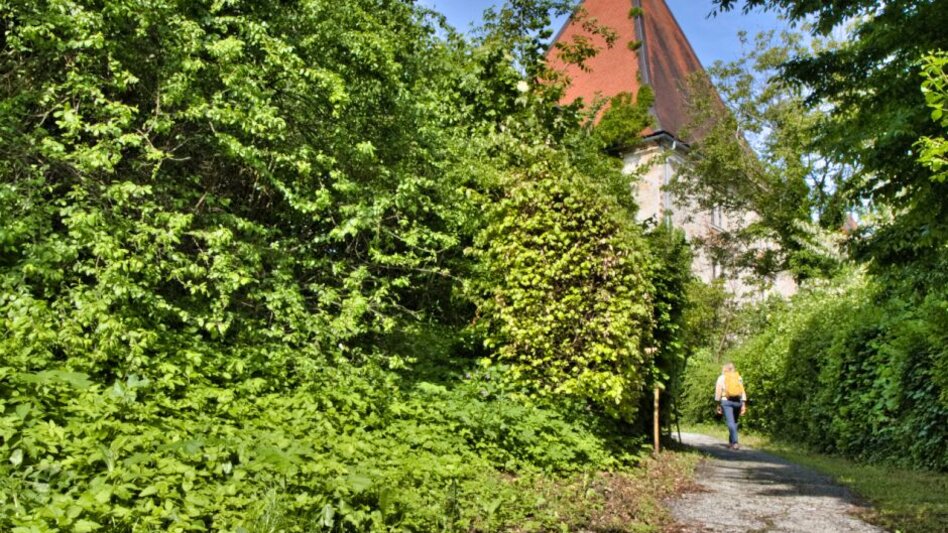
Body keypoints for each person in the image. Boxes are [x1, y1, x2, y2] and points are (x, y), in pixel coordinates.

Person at [714, 362, 747, 449]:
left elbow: (718, 391)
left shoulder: (721, 377)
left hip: (726, 401)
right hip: (738, 401)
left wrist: (718, 404)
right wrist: (743, 404)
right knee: (734, 422)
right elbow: (742, 391)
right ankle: (731, 442)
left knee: (730, 422)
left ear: (724, 369)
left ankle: (735, 442)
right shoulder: (738, 377)